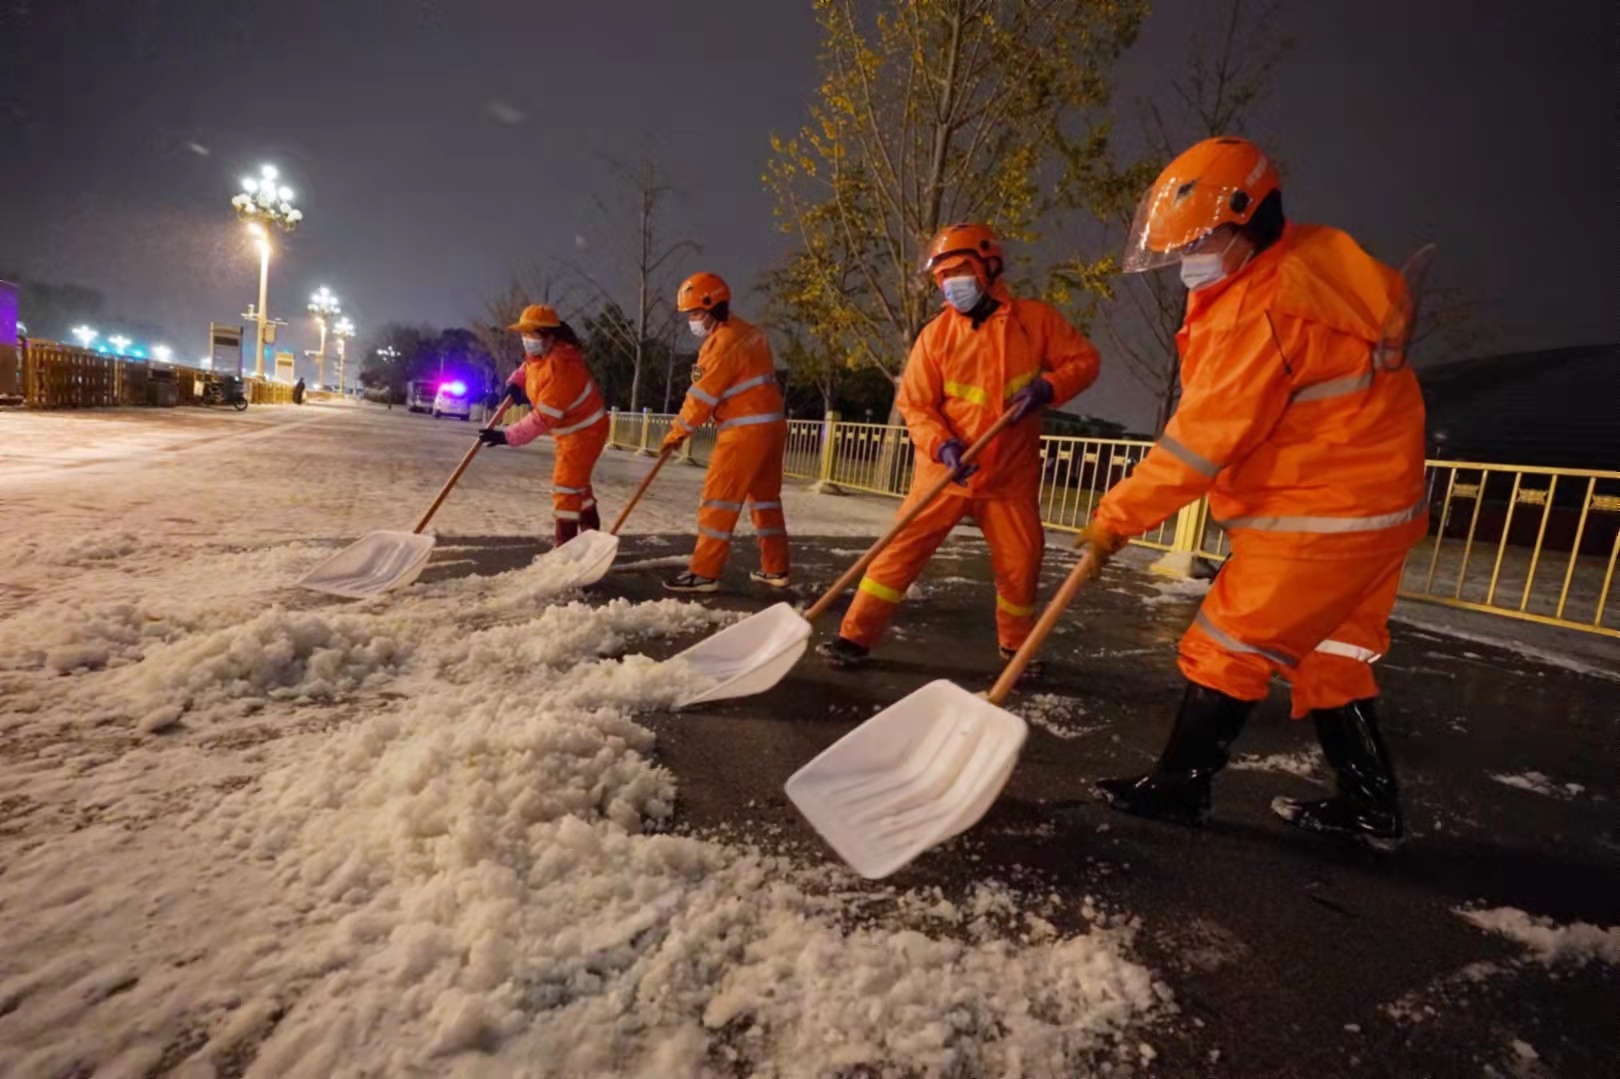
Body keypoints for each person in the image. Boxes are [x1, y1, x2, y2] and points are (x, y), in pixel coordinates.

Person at [1078, 136, 1428, 847]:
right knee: (1333, 653)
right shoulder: (1316, 259)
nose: (1188, 259)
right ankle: (1371, 806)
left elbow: (1197, 444)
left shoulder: (1261, 309)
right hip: (1380, 509)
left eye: (1205, 240)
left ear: (1255, 220)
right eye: (1182, 245)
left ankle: (1178, 790)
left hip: (1318, 516)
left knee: (1224, 646)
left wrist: (1115, 518)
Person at [817, 223, 1101, 674]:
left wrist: (1049, 388)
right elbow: (915, 403)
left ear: (989, 267)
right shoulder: (936, 336)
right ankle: (854, 637)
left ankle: (1016, 651)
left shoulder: (1035, 322)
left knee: (1020, 566)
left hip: (1008, 479)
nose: (952, 284)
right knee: (897, 555)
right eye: (943, 276)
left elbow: (1084, 361)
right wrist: (941, 444)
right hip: (945, 473)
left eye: (960, 271)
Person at [659, 272, 791, 594]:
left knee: (718, 501)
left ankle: (704, 573)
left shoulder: (720, 344)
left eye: (696, 313)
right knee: (765, 502)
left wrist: (676, 434)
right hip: (772, 428)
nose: (692, 321)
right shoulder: (751, 333)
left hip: (743, 432)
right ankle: (776, 569)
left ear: (714, 306)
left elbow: (701, 398)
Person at [476, 304, 609, 546]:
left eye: (531, 335)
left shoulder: (563, 367)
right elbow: (529, 368)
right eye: (524, 334)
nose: (527, 340)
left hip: (586, 431)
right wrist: (516, 383)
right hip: (568, 431)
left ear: (550, 337)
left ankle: (565, 547)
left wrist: (509, 435)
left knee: (566, 486)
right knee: (575, 482)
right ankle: (592, 530)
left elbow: (543, 418)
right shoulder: (542, 356)